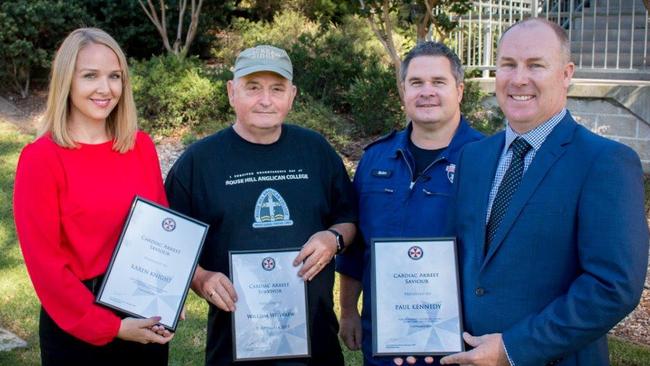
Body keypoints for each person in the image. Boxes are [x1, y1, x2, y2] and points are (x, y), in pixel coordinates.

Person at [438, 18, 649, 366]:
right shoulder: (473, 157)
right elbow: (458, 258)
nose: (519, 78)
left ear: (566, 74)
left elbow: (613, 286)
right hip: (469, 357)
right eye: (508, 64)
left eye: (536, 65)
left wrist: (513, 349)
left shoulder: (605, 162)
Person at [164, 45, 357, 366]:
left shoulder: (316, 150)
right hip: (235, 345)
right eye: (253, 88)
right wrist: (200, 279)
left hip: (316, 343)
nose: (265, 100)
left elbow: (349, 218)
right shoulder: (199, 162)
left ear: (292, 95)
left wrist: (333, 238)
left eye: (277, 89)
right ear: (231, 91)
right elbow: (169, 243)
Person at [13, 28, 173, 366]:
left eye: (114, 76)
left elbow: (160, 229)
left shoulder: (139, 146)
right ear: (66, 82)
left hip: (143, 312)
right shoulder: (42, 158)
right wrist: (111, 326)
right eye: (90, 76)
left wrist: (168, 292)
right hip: (77, 323)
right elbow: (46, 267)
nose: (106, 89)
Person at [335, 41, 483, 366]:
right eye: (416, 83)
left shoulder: (488, 160)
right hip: (384, 341)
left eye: (438, 82)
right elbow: (356, 247)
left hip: (461, 345)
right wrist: (348, 311)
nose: (426, 92)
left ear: (459, 90)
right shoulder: (375, 159)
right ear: (403, 91)